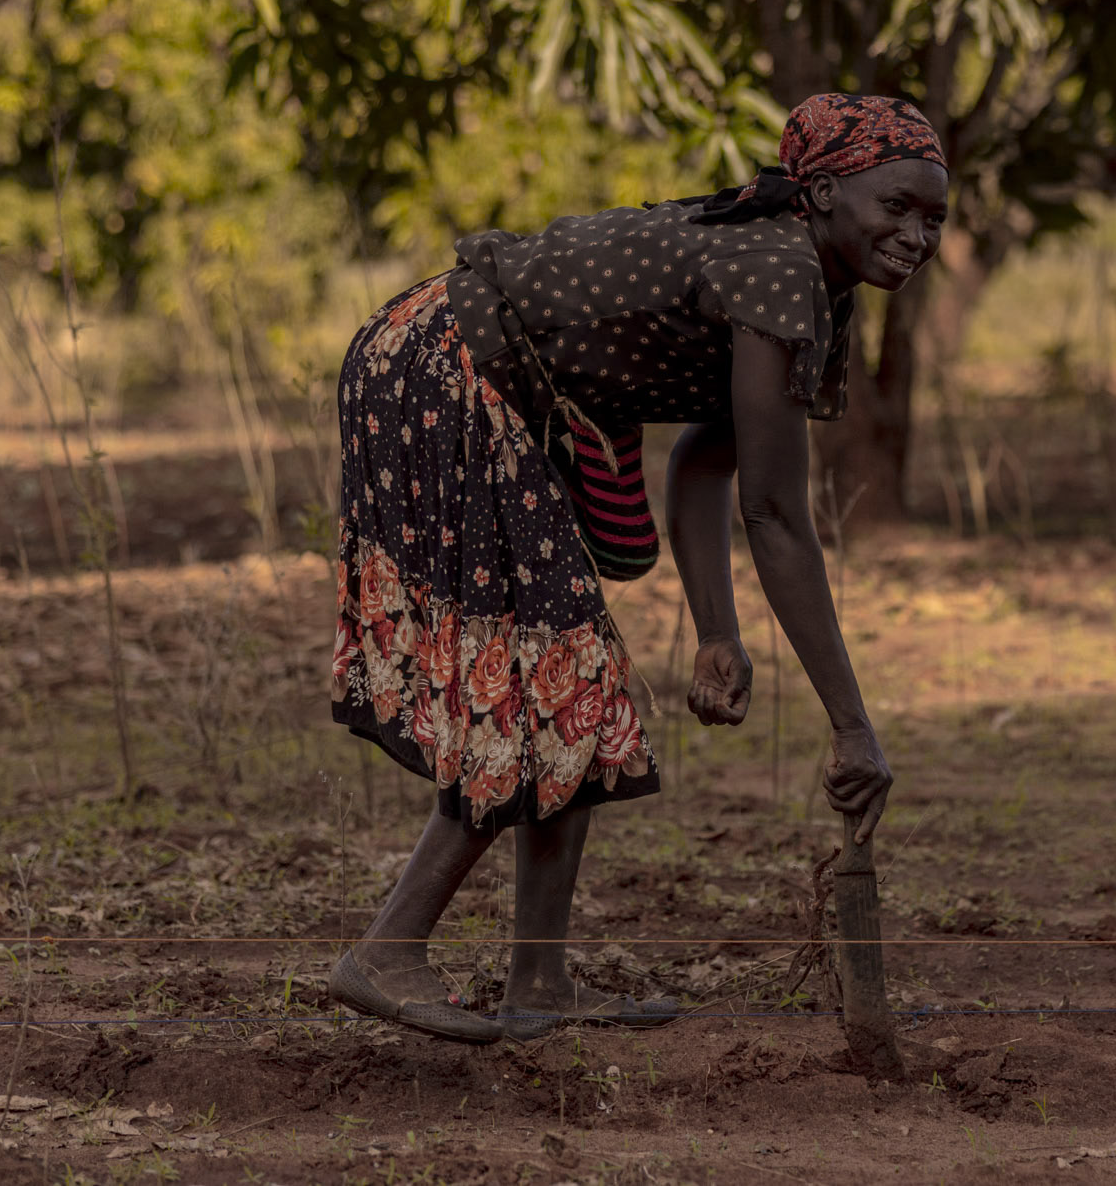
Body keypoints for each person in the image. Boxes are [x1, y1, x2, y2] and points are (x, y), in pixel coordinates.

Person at [324, 93, 948, 1042]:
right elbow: (775, 515)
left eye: (935, 217)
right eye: (897, 205)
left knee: (568, 678)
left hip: (460, 365)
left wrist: (719, 635)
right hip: (446, 365)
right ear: (820, 192)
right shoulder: (778, 264)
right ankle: (387, 949)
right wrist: (852, 727)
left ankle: (539, 982)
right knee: (552, 681)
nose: (918, 234)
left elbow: (709, 456)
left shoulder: (815, 279)